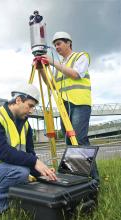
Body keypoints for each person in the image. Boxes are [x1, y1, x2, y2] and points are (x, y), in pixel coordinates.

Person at [0, 83, 57, 214]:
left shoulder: (26, 126)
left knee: (26, 173)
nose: (32, 111)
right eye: (30, 106)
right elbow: (2, 152)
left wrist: (43, 173)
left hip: (5, 170)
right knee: (21, 173)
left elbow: (29, 155)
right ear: (18, 100)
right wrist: (34, 162)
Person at [41, 31, 99, 182]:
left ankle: (94, 181)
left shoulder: (81, 56)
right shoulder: (60, 65)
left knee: (79, 140)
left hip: (79, 104)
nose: (57, 47)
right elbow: (50, 85)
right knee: (70, 143)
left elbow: (75, 74)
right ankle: (78, 179)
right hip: (64, 106)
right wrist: (41, 68)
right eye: (55, 45)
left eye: (59, 43)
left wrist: (53, 62)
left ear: (68, 43)